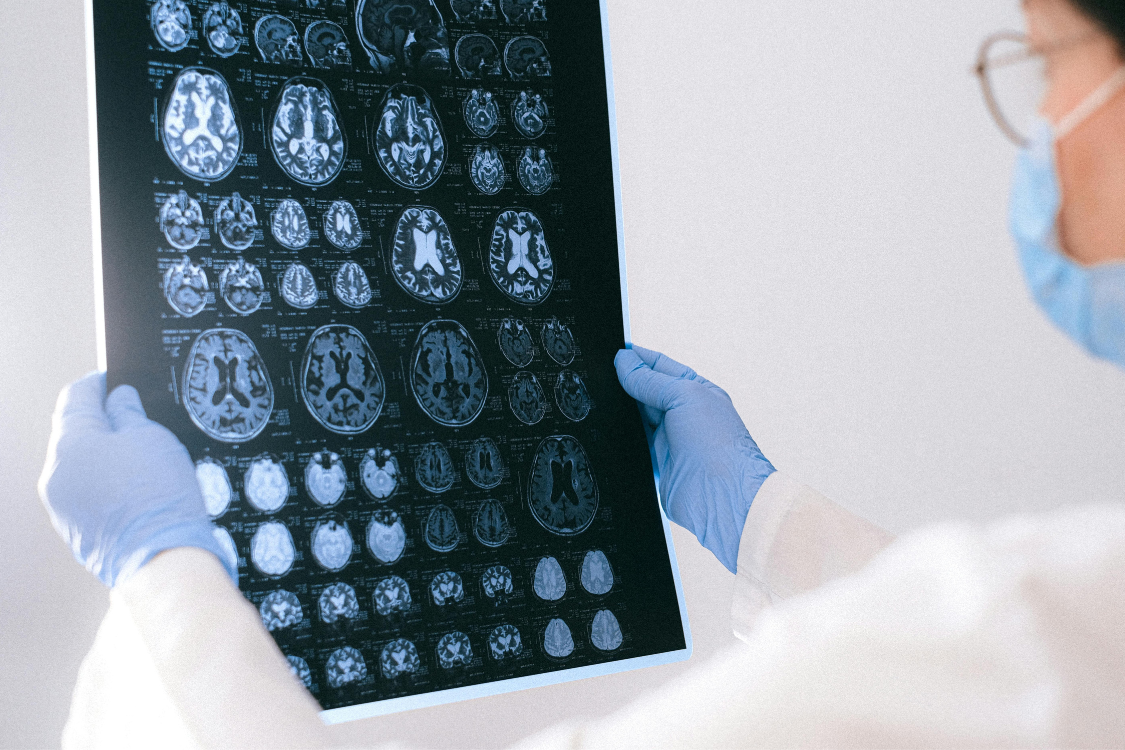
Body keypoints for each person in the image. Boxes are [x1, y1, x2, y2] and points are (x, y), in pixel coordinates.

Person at [39, 0, 1125, 746]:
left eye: (1045, 60)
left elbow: (994, 658)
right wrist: (768, 520)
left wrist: (163, 572)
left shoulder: (1046, 632)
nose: (1037, 127)